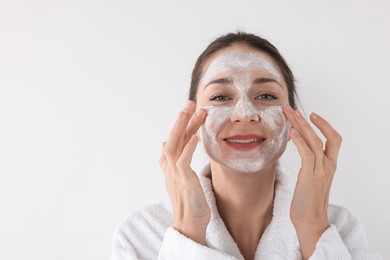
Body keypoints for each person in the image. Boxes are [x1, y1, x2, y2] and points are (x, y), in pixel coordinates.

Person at [110, 32, 382, 260]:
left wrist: (312, 228)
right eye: (220, 96)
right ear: (194, 119)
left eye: (265, 95)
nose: (244, 113)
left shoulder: (339, 229)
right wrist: (188, 234)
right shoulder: (141, 235)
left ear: (293, 120)